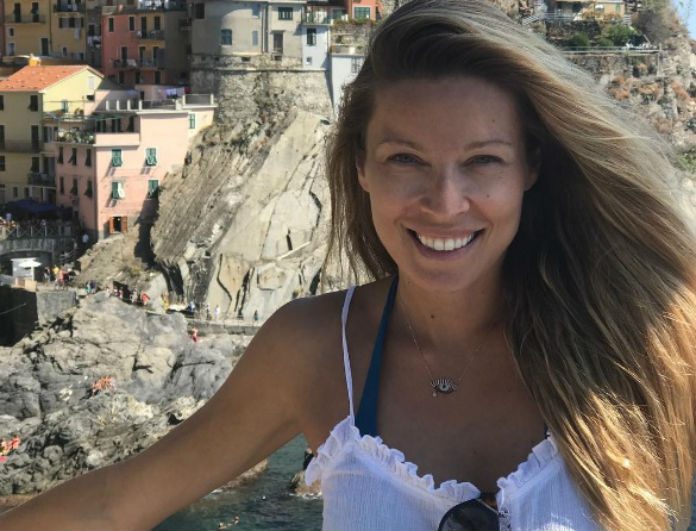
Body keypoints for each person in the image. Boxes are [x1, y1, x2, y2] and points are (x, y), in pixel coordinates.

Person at [1, 1, 695, 530]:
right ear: (360, 166)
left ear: (530, 169)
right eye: (405, 159)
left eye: (483, 160)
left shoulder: (642, 336)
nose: (444, 202)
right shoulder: (312, 350)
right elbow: (115, 502)